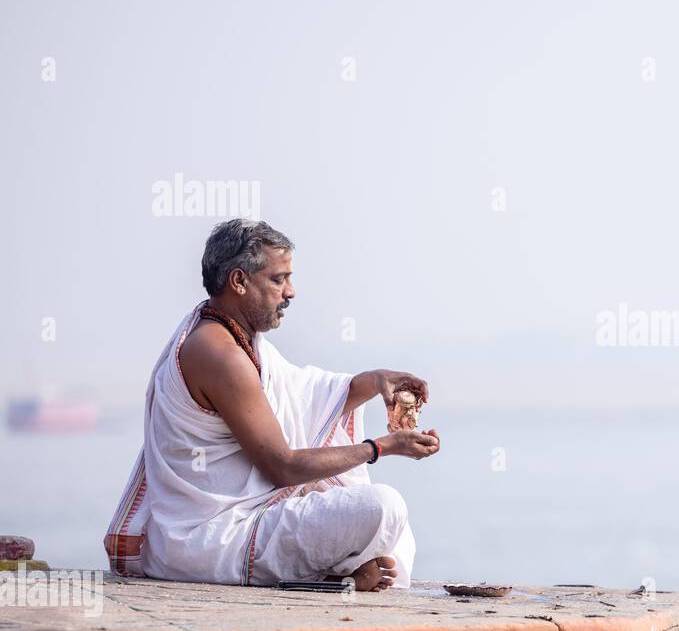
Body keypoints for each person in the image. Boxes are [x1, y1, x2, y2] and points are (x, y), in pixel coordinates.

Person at [103, 219, 439, 591]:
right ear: (238, 281)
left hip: (247, 520)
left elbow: (311, 394)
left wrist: (375, 381)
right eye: (279, 279)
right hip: (213, 537)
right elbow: (283, 466)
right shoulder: (220, 355)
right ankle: (334, 576)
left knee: (395, 523)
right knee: (382, 506)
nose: (291, 292)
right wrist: (382, 448)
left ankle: (342, 574)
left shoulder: (241, 343)